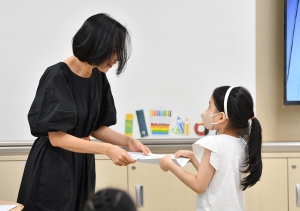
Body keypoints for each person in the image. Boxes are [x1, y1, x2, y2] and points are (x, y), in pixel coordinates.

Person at [17, 13, 151, 211]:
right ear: (96, 44)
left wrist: (127, 142)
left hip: (81, 162)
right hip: (54, 165)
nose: (117, 58)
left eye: (119, 52)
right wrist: (107, 149)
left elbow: (95, 127)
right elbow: (58, 138)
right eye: (113, 51)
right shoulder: (57, 77)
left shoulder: (98, 77)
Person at [159, 86, 262, 211]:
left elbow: (199, 185)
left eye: (209, 106)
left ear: (221, 117)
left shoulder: (214, 143)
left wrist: (170, 165)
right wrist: (193, 158)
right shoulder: (242, 144)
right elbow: (216, 178)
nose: (206, 111)